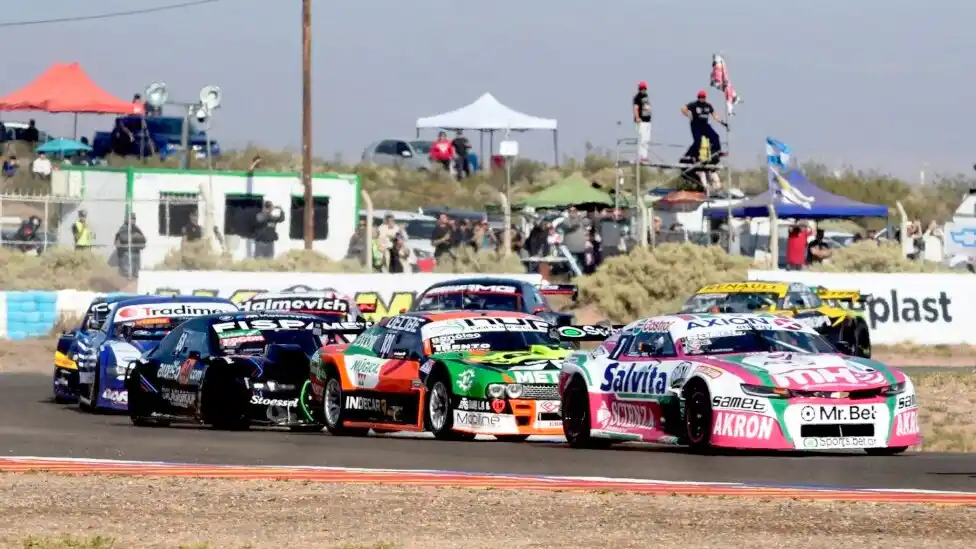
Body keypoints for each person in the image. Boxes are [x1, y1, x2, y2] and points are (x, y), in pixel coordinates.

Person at [680, 90, 727, 162]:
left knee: (715, 136)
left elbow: (714, 115)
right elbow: (683, 109)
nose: (701, 98)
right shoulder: (694, 104)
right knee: (698, 141)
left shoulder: (708, 106)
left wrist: (722, 122)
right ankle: (693, 155)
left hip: (705, 125)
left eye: (703, 97)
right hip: (696, 125)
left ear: (705, 98)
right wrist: (689, 115)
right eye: (700, 97)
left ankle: (717, 151)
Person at [114, 213, 146, 279]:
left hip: (136, 255)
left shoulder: (136, 229)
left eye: (134, 219)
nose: (133, 220)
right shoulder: (123, 228)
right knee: (126, 276)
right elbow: (118, 241)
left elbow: (143, 240)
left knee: (135, 276)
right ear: (127, 219)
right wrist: (133, 237)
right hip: (126, 255)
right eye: (132, 219)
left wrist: (139, 240)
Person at [633, 81, 652, 164]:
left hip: (648, 121)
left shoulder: (646, 96)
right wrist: (637, 117)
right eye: (641, 88)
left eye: (644, 88)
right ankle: (640, 156)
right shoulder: (637, 98)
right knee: (642, 138)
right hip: (641, 121)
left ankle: (645, 156)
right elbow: (636, 108)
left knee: (647, 139)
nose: (643, 90)